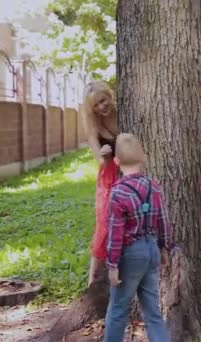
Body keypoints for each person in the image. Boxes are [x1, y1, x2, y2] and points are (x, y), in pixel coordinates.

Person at [104, 133, 171, 342]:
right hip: (151, 250)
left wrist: (112, 265)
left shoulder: (118, 193)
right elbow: (163, 219)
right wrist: (164, 248)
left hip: (130, 255)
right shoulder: (154, 186)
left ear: (116, 162)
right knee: (152, 309)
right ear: (143, 158)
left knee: (118, 309)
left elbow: (115, 234)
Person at [80, 81, 120, 286]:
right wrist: (104, 156)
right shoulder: (93, 124)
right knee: (104, 223)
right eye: (96, 105)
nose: (101, 107)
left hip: (130, 174)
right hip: (109, 177)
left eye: (103, 101)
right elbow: (98, 157)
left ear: (109, 95)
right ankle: (92, 279)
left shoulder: (124, 110)